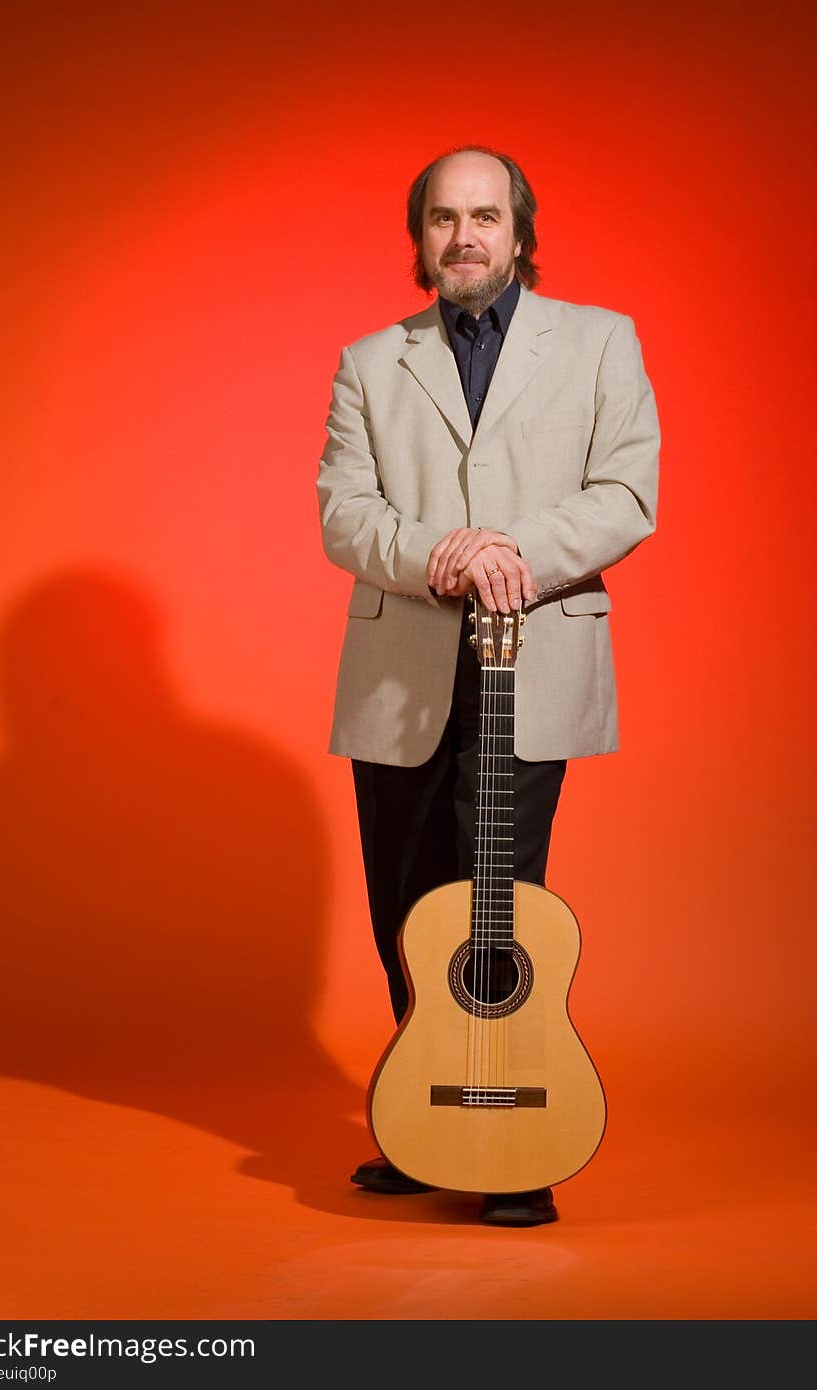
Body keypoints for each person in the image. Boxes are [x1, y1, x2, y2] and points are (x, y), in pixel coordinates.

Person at [316, 145, 660, 1227]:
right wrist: (444, 555)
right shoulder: (371, 361)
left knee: (499, 903)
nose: (464, 235)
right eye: (443, 219)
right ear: (418, 236)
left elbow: (625, 492)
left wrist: (508, 549)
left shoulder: (601, 342)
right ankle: (426, 1119)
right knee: (403, 906)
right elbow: (345, 513)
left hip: (537, 659)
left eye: (485, 216)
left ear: (520, 231)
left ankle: (515, 1142)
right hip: (399, 671)